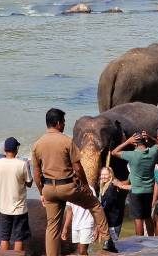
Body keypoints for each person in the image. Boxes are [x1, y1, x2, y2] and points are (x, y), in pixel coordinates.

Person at [31, 108, 117, 255]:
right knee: (95, 205)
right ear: (58, 123)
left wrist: (41, 192)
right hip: (67, 187)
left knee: (52, 227)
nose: (64, 125)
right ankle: (107, 239)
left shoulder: (37, 144)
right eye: (63, 122)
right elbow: (77, 168)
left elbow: (37, 173)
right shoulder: (66, 141)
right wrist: (85, 186)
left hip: (49, 189)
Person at [111, 131, 158, 236]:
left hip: (136, 191)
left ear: (135, 142)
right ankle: (151, 241)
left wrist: (127, 142)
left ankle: (140, 242)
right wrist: (150, 137)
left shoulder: (132, 155)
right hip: (149, 190)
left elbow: (114, 152)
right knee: (147, 217)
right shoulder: (152, 152)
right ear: (144, 140)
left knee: (138, 220)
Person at [0, 137, 33, 252]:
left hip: (3, 208)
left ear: (4, 149)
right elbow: (29, 183)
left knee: (4, 238)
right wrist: (28, 168)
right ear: (16, 150)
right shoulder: (22, 164)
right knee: (19, 239)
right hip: (19, 209)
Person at [61, 186, 96, 255]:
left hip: (87, 223)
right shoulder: (69, 190)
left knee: (82, 250)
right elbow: (69, 211)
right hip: (76, 224)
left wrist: (96, 227)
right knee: (79, 249)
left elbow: (95, 208)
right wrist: (65, 228)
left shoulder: (89, 188)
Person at [99, 166, 127, 241]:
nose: (103, 177)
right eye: (102, 175)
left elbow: (106, 204)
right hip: (110, 220)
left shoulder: (111, 188)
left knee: (111, 244)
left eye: (105, 175)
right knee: (109, 244)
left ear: (110, 175)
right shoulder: (104, 186)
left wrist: (98, 214)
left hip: (113, 221)